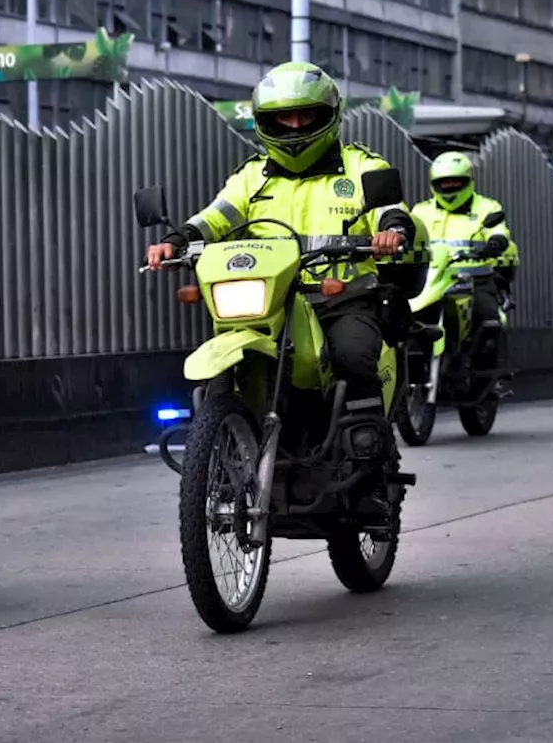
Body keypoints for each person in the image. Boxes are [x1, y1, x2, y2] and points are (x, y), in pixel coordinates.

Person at [145, 61, 412, 517]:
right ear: (263, 122)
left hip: (338, 298)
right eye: (281, 118)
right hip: (269, 304)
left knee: (352, 352)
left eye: (304, 116)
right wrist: (176, 241)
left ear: (327, 115)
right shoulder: (253, 175)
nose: (293, 127)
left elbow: (392, 210)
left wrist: (391, 230)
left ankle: (368, 471)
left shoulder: (363, 165)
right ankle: (222, 460)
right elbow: (216, 216)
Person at [409, 150, 515, 385]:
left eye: (456, 182)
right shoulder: (420, 211)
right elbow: (409, 236)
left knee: (489, 319)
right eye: (443, 183)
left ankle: (493, 376)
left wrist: (495, 243)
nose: (450, 187)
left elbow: (499, 232)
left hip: (476, 280)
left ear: (468, 181)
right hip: (434, 280)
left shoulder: (487, 208)